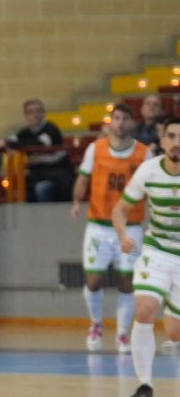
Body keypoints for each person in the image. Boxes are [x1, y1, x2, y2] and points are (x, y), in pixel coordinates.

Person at [112, 117, 180, 397]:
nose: (177, 142)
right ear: (162, 141)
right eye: (172, 136)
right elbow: (120, 209)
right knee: (144, 309)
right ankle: (145, 384)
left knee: (174, 332)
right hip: (157, 249)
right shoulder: (149, 171)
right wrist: (123, 235)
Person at [72, 103, 149, 353]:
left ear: (132, 123)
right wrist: (76, 201)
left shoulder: (144, 153)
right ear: (110, 121)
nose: (120, 123)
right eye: (116, 118)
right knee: (94, 280)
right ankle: (96, 324)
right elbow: (83, 177)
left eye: (125, 118)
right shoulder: (96, 149)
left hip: (130, 226)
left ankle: (123, 334)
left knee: (127, 281)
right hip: (99, 225)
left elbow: (151, 186)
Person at [0, 98, 73, 203]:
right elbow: (10, 141)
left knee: (42, 188)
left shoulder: (51, 129)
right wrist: (2, 143)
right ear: (26, 116)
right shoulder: (24, 133)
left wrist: (8, 144)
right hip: (37, 176)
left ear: (43, 113)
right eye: (31, 112)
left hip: (58, 176)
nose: (35, 115)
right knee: (18, 190)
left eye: (38, 111)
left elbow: (39, 144)